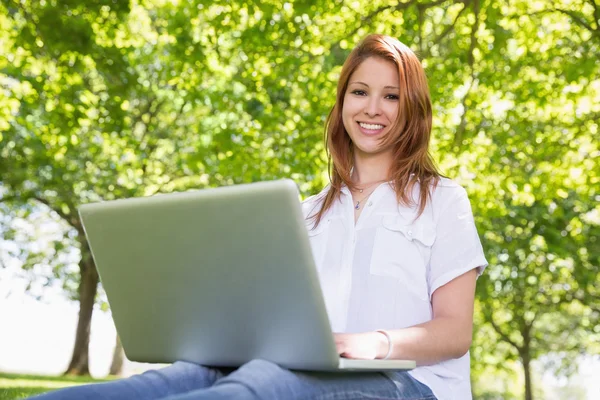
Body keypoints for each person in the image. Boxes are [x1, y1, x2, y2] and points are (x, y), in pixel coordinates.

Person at [31, 34, 487, 400]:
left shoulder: (443, 200)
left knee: (263, 388)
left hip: (409, 386)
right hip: (304, 368)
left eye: (391, 96)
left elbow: (454, 331)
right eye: (360, 92)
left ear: (413, 109)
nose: (372, 108)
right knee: (183, 376)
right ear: (342, 103)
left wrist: (373, 343)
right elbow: (274, 316)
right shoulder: (304, 213)